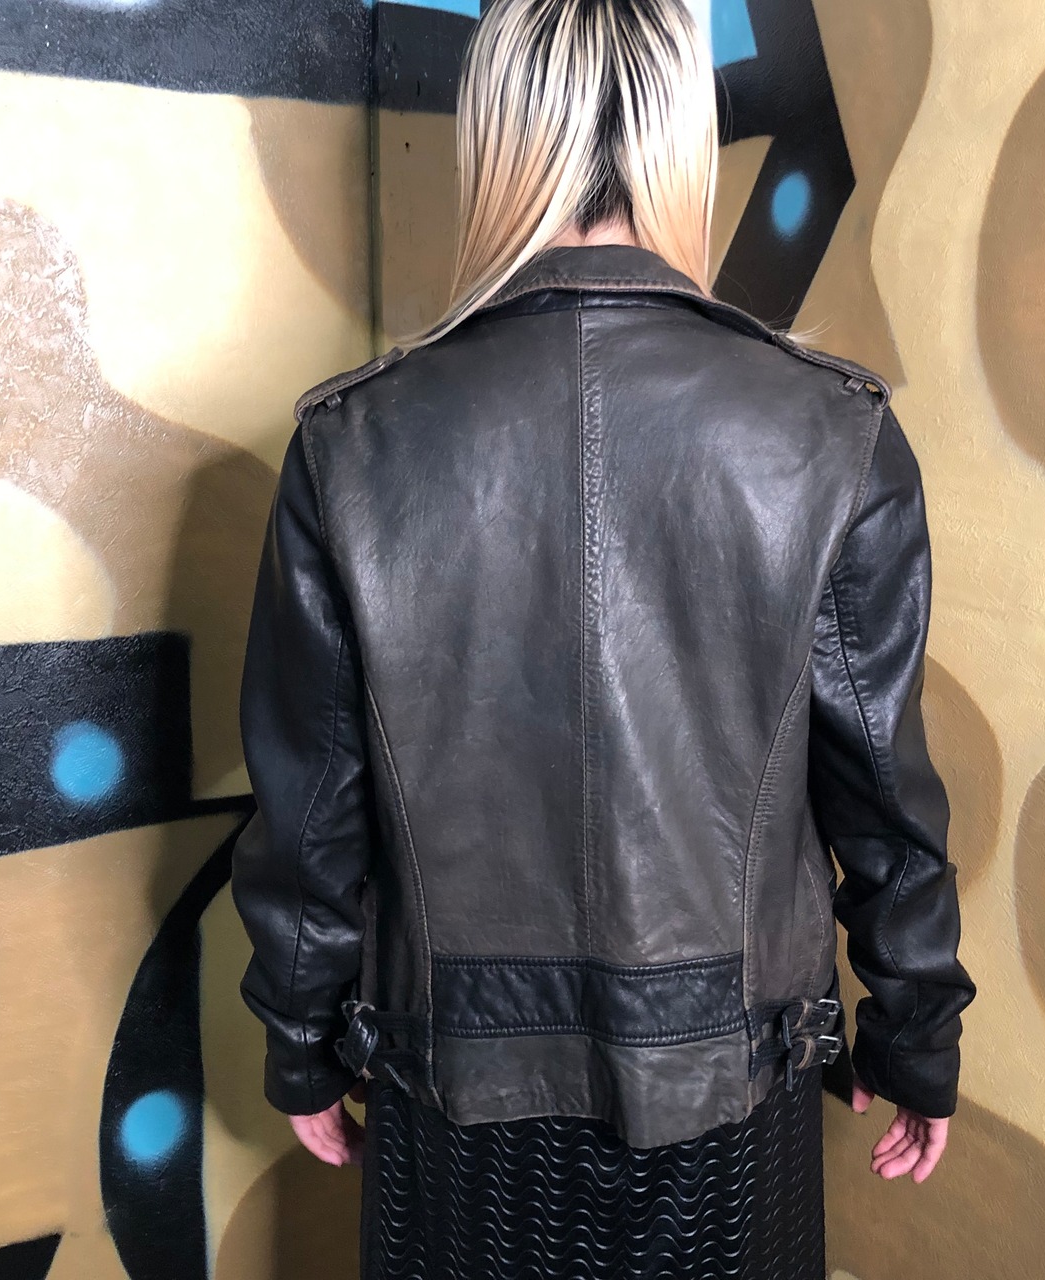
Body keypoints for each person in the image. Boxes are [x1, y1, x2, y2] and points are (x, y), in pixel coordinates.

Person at [229, 0, 976, 1275]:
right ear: (685, 135)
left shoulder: (352, 443)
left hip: (452, 1095)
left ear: (497, 134)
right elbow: (881, 794)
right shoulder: (828, 431)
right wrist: (914, 1034)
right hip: (730, 1095)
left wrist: (299, 1040)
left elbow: (309, 813)